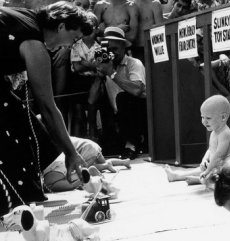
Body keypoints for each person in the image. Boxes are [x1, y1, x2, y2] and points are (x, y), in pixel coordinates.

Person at [0, 2, 92, 215]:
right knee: (11, 125)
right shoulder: (34, 44)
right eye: (74, 39)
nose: (71, 45)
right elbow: (48, 108)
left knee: (20, 115)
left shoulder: (25, 17)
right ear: (60, 27)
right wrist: (71, 153)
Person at [94, 26, 147, 159]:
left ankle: (131, 144)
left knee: (124, 97)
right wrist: (99, 75)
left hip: (139, 114)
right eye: (109, 50)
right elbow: (91, 99)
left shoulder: (134, 63)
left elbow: (136, 90)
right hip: (117, 117)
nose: (112, 53)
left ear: (124, 47)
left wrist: (111, 73)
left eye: (115, 49)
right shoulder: (106, 65)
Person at [163, 95, 230, 185]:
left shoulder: (225, 133)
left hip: (226, 169)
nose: (204, 121)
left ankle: (201, 180)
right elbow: (211, 148)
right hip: (214, 166)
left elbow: (219, 155)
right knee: (202, 169)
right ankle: (176, 176)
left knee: (222, 179)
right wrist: (205, 159)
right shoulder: (215, 132)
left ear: (223, 117)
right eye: (202, 117)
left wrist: (208, 170)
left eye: (208, 118)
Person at [44, 137, 130, 192]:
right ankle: (122, 162)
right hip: (92, 147)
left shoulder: (59, 141)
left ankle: (102, 167)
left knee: (82, 168)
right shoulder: (62, 137)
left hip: (86, 150)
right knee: (104, 162)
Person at [70, 11, 100, 140]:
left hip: (93, 81)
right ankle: (78, 145)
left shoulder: (99, 48)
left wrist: (84, 62)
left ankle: (94, 142)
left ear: (96, 30)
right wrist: (92, 65)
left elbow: (100, 67)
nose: (87, 32)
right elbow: (76, 68)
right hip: (78, 82)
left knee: (92, 115)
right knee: (79, 115)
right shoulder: (76, 46)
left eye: (91, 29)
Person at [132, 0, 163, 65]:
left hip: (150, 48)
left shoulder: (155, 4)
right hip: (134, 48)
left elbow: (160, 30)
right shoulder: (131, 4)